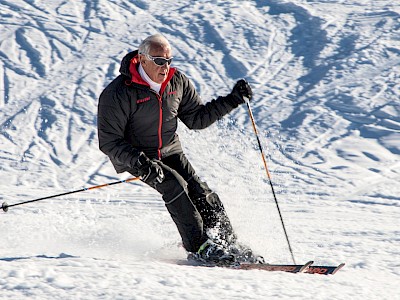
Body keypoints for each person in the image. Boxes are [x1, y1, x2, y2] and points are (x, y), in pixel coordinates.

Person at [98, 33, 257, 263]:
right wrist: (140, 162)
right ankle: (200, 248)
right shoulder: (119, 93)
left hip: (171, 151)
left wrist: (233, 99)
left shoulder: (177, 82)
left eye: (169, 60)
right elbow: (109, 141)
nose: (165, 67)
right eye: (159, 61)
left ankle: (228, 243)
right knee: (175, 186)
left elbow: (197, 119)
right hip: (139, 157)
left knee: (201, 191)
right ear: (142, 60)